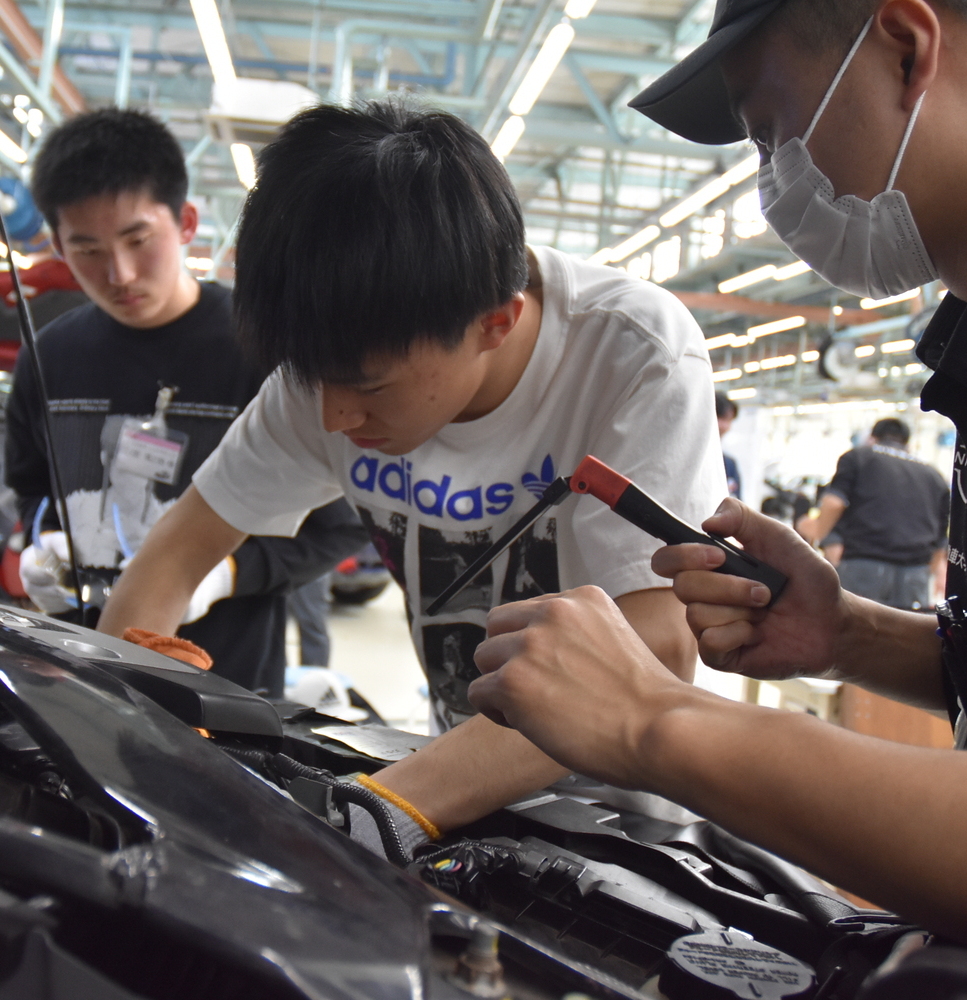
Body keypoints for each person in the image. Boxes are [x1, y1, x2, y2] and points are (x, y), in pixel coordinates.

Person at [467, 0, 967, 946]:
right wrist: (849, 634)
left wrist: (657, 722)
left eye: (773, 133)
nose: (773, 187)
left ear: (907, 49)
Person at [96, 101, 727, 830]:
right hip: (464, 782)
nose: (334, 417)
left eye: (368, 389)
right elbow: (175, 554)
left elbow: (659, 642)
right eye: (311, 381)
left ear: (497, 323)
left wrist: (381, 810)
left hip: (639, 818)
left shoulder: (630, 354)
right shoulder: (334, 372)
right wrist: (127, 727)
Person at [5, 108, 367, 697]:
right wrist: (40, 542)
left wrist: (227, 573)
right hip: (78, 671)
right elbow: (31, 485)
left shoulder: (265, 351)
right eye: (87, 249)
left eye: (136, 239)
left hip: (227, 683)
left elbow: (339, 525)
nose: (118, 272)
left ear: (186, 222)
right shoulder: (49, 356)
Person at [796, 417, 949, 608]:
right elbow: (941, 539)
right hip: (915, 573)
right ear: (907, 443)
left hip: (864, 566)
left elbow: (834, 503)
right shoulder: (934, 475)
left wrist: (819, 532)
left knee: (856, 633)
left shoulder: (858, 457)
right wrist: (931, 573)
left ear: (872, 438)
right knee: (904, 634)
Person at [715, 391, 742, 498]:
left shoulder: (729, 464)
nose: (725, 426)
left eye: (729, 420)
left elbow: (737, 502)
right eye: (721, 418)